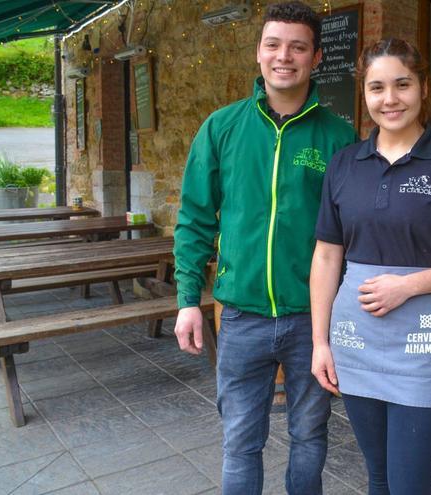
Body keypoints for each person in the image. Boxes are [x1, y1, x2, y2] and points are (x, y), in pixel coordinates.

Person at [172, 2, 357, 493]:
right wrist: (189, 300)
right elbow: (193, 219)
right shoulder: (222, 128)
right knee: (240, 441)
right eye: (273, 44)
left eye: (298, 47)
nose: (284, 56)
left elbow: (353, 234)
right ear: (258, 52)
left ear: (316, 57)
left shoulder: (340, 138)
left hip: (312, 320)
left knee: (310, 436)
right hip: (240, 317)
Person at [310, 38, 431, 494]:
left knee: (409, 484)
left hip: (424, 342)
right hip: (354, 340)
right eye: (377, 88)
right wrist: (320, 342)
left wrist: (408, 286)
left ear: (422, 88)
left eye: (402, 84)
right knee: (378, 477)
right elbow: (325, 256)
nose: (390, 99)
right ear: (364, 94)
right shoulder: (344, 165)